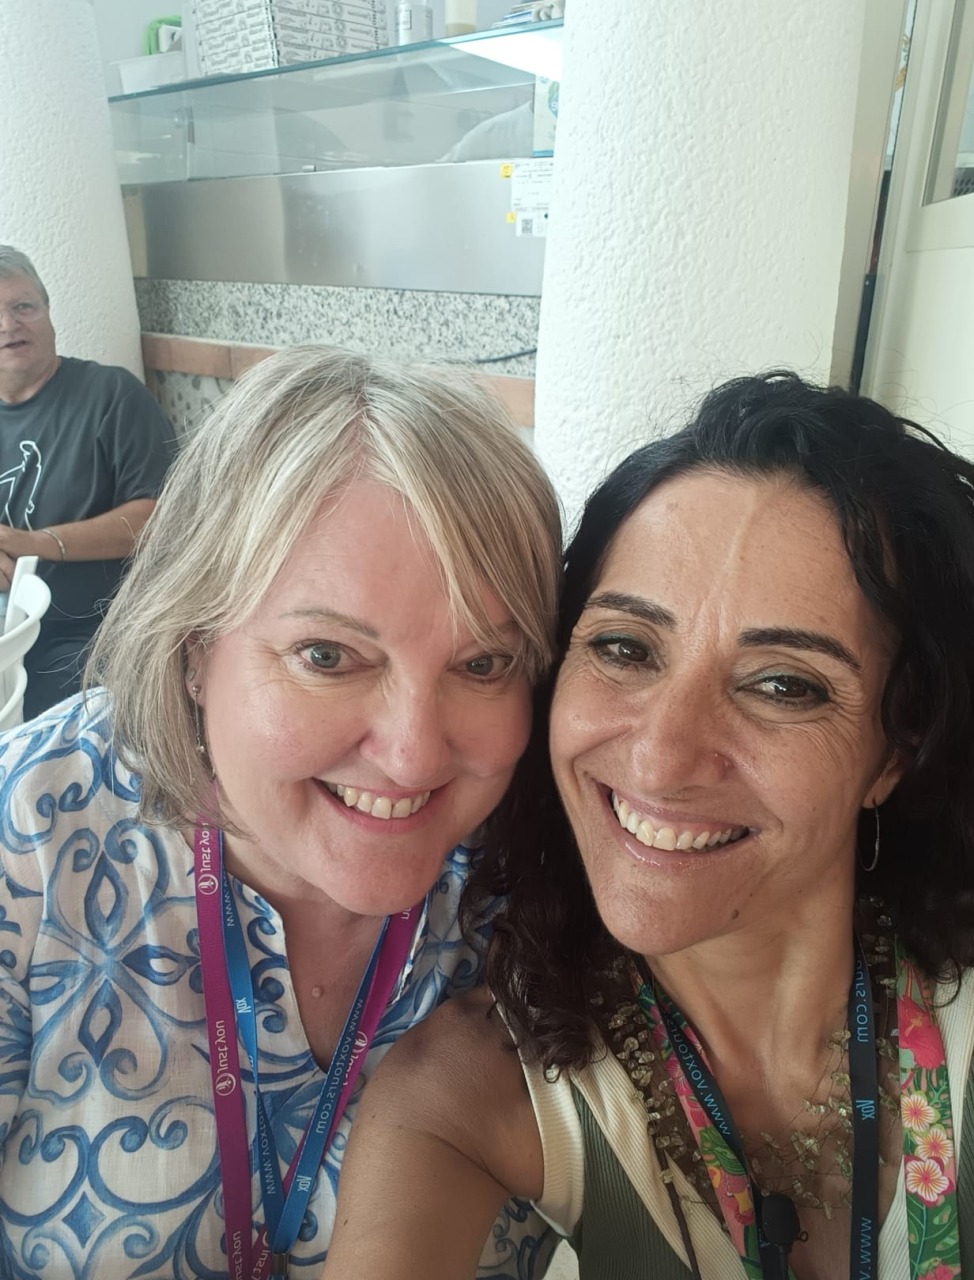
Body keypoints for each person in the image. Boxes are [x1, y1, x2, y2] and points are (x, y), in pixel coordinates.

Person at [323, 371, 974, 1280]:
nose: (663, 760)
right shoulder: (462, 1094)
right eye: (624, 648)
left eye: (783, 685)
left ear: (897, 751)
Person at [0, 346, 563, 1279]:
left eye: (483, 664)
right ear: (193, 648)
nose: (416, 754)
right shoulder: (28, 838)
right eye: (328, 657)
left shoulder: (545, 883)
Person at [0, 245, 176, 717]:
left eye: (23, 306)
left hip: (89, 635)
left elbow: (161, 518)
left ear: (48, 313)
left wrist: (36, 544)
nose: (9, 325)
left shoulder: (111, 395)